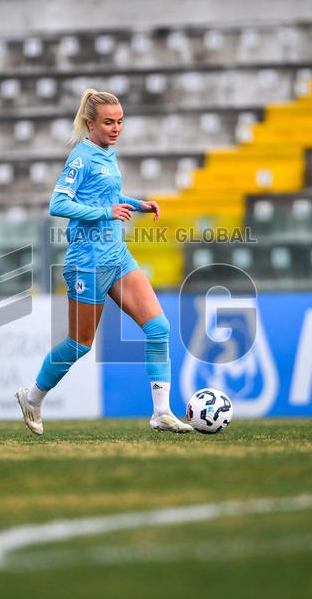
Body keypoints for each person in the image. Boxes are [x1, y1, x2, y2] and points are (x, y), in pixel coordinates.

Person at [15, 89, 193, 434]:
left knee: (159, 329)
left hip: (117, 255)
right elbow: (58, 204)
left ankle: (161, 413)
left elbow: (107, 196)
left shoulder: (107, 154)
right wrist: (105, 212)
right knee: (80, 344)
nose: (116, 128)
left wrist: (137, 204)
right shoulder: (81, 158)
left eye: (120, 121)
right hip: (88, 261)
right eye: (109, 122)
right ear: (90, 123)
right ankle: (33, 397)